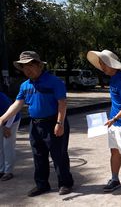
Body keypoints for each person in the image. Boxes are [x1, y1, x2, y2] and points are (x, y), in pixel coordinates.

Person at [0, 51, 74, 197]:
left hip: (54, 122)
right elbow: (17, 104)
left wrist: (59, 123)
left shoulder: (54, 82)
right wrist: (2, 119)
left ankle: (65, 183)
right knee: (38, 155)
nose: (27, 70)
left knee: (59, 155)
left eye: (30, 66)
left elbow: (62, 103)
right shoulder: (25, 86)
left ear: (39, 65)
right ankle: (42, 185)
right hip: (35, 124)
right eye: (24, 67)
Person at [87, 49, 121, 196]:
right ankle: (115, 179)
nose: (101, 67)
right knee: (114, 152)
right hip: (114, 123)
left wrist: (115, 118)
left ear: (111, 65)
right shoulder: (116, 76)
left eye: (103, 64)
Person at [0, 91, 21, 181]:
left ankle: (8, 171)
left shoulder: (1, 97)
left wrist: (7, 127)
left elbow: (13, 112)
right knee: (0, 145)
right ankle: (1, 170)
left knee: (7, 145)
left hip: (12, 119)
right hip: (1, 120)